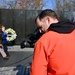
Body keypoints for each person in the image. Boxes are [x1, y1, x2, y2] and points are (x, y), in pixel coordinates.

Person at [30, 9, 75, 75]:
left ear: (48, 19)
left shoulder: (43, 41)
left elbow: (37, 73)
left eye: (40, 27)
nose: (39, 31)